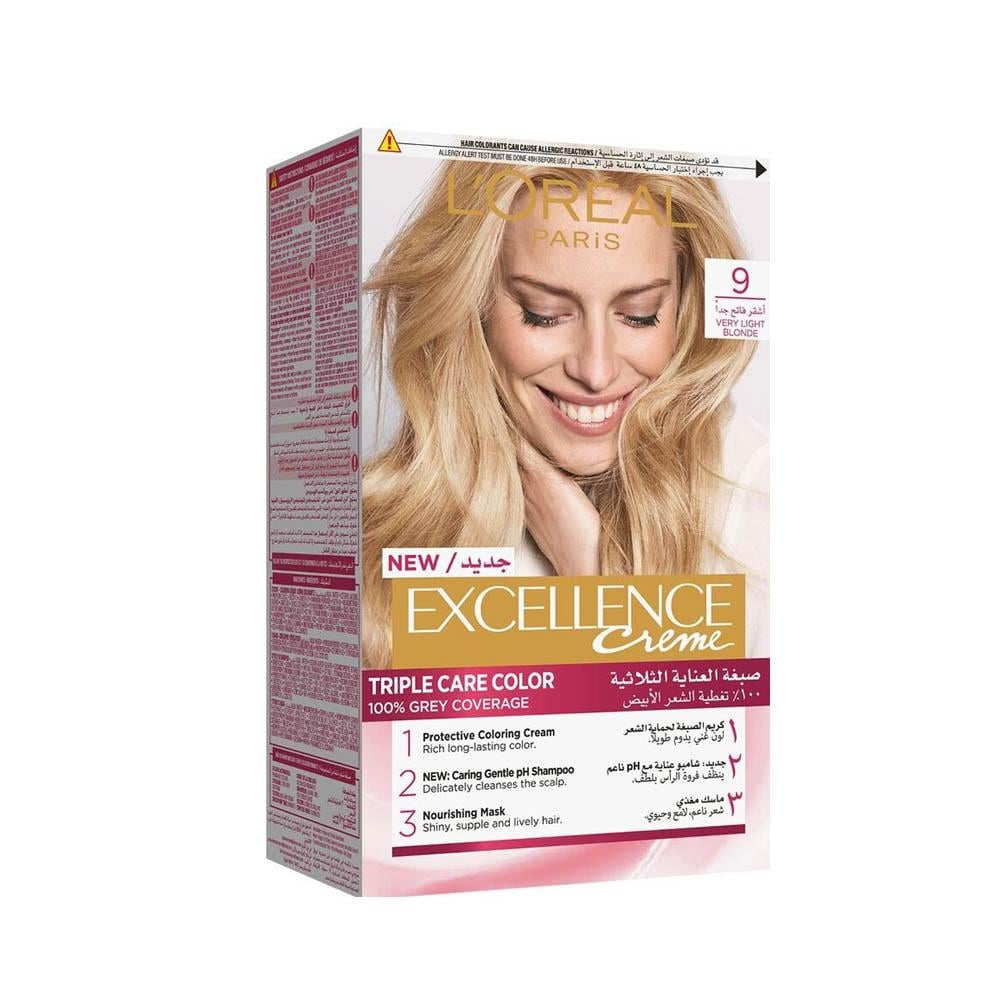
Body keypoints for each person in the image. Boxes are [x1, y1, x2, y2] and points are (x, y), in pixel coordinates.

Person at [362, 163, 768, 669]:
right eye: (544, 314)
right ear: (473, 304)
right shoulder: (383, 527)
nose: (595, 371)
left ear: (684, 304)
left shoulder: (756, 499)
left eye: (639, 314)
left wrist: (591, 577)